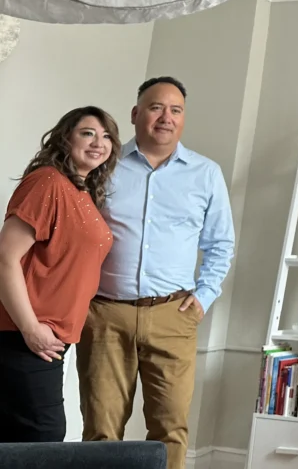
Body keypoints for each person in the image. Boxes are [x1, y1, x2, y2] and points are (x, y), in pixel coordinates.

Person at [77, 77, 234, 469]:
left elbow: (221, 244)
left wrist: (203, 297)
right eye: (155, 107)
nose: (166, 117)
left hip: (174, 315)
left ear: (183, 119)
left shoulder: (206, 173)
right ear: (135, 114)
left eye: (175, 110)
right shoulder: (104, 166)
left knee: (170, 428)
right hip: (105, 316)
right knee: (101, 429)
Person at [0, 107, 121, 442]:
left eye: (107, 135)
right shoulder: (47, 181)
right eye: (88, 133)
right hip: (24, 338)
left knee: (21, 442)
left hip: (50, 339)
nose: (99, 142)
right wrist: (30, 329)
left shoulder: (80, 191)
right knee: (44, 438)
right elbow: (5, 258)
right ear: (66, 137)